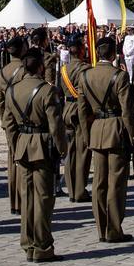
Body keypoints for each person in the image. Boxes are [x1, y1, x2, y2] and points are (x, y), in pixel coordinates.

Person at [8, 48, 69, 261]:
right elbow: (56, 125)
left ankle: (28, 243)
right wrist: (63, 149)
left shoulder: (13, 90)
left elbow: (9, 124)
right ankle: (42, 246)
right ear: (41, 66)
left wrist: (16, 146)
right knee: (43, 198)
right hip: (42, 146)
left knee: (27, 198)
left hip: (23, 145)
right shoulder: (46, 91)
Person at [81, 35, 134, 243]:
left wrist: (88, 136)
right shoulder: (119, 76)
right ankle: (114, 229)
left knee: (99, 183)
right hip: (115, 129)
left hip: (96, 129)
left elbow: (82, 111)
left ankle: (101, 228)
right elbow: (127, 110)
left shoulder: (85, 76)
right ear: (114, 54)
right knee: (116, 183)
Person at [0, 35, 28, 214]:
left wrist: (4, 120)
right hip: (24, 120)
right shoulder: (24, 71)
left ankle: (14, 201)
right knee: (24, 160)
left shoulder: (2, 72)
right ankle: (23, 200)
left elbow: (0, 101)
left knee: (12, 159)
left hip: (9, 119)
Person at [57, 34, 91, 203]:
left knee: (69, 152)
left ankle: (71, 189)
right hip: (80, 111)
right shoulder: (85, 69)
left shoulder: (63, 69)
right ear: (81, 50)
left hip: (66, 110)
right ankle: (79, 189)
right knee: (83, 152)